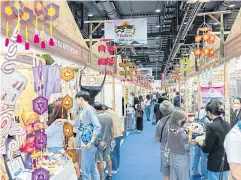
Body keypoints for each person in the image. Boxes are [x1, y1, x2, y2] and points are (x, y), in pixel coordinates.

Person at [57, 91, 101, 180]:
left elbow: (98, 126)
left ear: (81, 99)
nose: (76, 101)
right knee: (92, 168)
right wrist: (65, 120)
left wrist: (91, 141)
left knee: (85, 171)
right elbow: (74, 123)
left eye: (76, 99)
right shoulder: (82, 111)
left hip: (88, 143)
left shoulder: (89, 109)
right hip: (85, 142)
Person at [197, 99, 231, 180]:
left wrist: (199, 142)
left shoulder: (211, 126)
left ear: (209, 113)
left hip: (215, 163)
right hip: (226, 161)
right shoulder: (227, 124)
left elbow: (206, 148)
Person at [167, 110, 190, 180]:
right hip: (181, 158)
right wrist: (190, 134)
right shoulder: (181, 132)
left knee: (173, 177)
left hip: (172, 156)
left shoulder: (170, 127)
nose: (185, 120)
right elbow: (186, 146)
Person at [155, 100, 174, 180]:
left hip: (165, 150)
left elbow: (157, 138)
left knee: (167, 174)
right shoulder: (178, 120)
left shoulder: (160, 122)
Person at [93, 103, 113, 180]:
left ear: (95, 109)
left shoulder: (95, 117)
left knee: (99, 160)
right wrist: (112, 139)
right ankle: (110, 174)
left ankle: (101, 177)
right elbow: (112, 129)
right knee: (108, 158)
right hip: (107, 140)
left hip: (98, 141)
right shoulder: (109, 116)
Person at [103, 105, 123, 174]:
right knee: (117, 151)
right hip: (119, 134)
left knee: (112, 152)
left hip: (114, 135)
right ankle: (117, 167)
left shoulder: (106, 113)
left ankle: (114, 168)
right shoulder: (113, 112)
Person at [190, 107, 208, 180]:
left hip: (196, 135)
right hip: (203, 137)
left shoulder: (199, 112)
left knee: (196, 155)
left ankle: (194, 172)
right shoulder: (209, 115)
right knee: (204, 157)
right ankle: (204, 176)